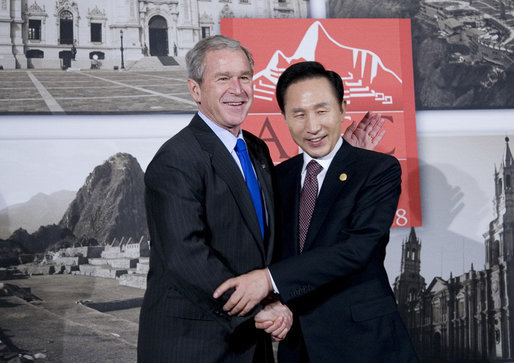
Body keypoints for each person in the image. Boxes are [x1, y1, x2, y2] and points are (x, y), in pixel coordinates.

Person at [214, 61, 418, 362]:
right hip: (298, 345)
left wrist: (268, 280)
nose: (312, 127)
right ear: (284, 117)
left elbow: (356, 249)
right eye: (298, 114)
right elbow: (270, 250)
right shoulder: (276, 178)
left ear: (342, 109)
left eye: (322, 111)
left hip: (366, 344)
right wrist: (269, 301)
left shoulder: (377, 169)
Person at [137, 34, 293, 363]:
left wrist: (337, 155)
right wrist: (260, 307)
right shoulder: (175, 159)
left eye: (245, 77)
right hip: (195, 345)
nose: (237, 90)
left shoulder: (256, 149)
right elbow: (186, 256)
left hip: (252, 345)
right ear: (195, 89)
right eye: (223, 79)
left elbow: (264, 229)